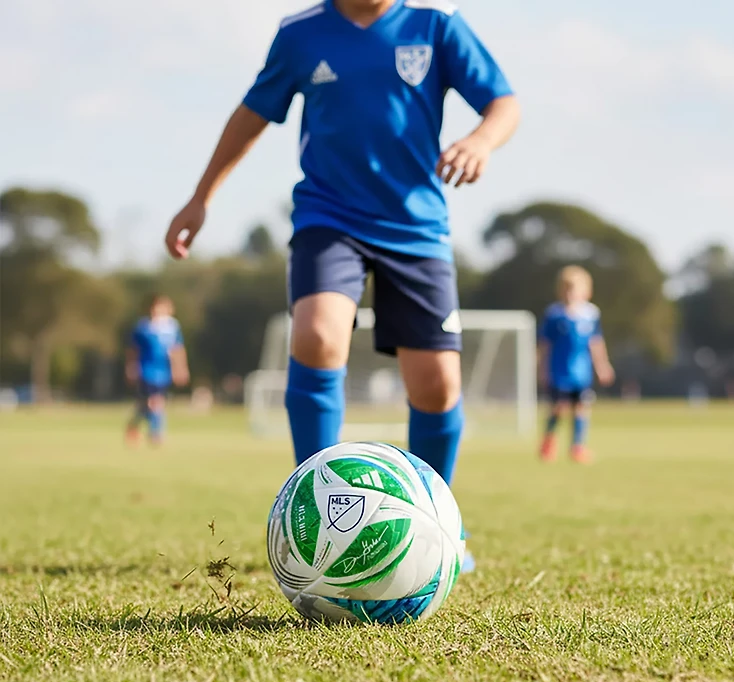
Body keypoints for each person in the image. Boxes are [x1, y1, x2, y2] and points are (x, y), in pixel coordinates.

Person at [164, 0, 520, 570]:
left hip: (416, 227)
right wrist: (201, 196)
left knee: (436, 386)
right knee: (316, 335)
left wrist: (480, 141)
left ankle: (438, 522)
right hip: (329, 219)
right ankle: (319, 512)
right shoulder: (301, 34)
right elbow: (252, 114)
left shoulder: (436, 23)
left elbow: (503, 102)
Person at [538, 266, 615, 464]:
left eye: (575, 289)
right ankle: (548, 442)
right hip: (559, 371)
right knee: (558, 407)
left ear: (586, 291)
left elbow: (596, 342)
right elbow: (545, 345)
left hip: (581, 372)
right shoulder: (555, 315)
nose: (570, 293)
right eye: (566, 289)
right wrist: (542, 368)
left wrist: (602, 365)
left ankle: (577, 446)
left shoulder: (590, 314)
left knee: (582, 407)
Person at [125, 295, 190, 445]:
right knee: (155, 402)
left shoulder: (173, 327)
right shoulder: (143, 327)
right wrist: (130, 368)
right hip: (146, 369)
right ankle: (156, 433)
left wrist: (180, 369)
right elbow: (133, 350)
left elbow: (177, 350)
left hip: (163, 370)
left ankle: (134, 426)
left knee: (148, 404)